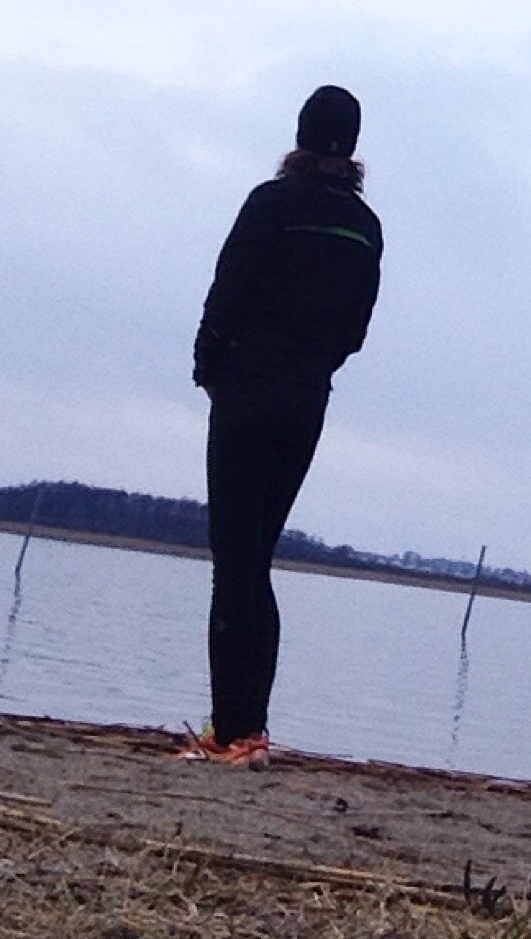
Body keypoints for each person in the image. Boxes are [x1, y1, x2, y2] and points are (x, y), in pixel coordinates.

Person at [181, 85, 384, 767]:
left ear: (300, 134)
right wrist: (313, 366)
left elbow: (227, 290)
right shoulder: (365, 225)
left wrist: (209, 366)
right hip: (306, 400)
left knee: (234, 561)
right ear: (351, 145)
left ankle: (233, 732)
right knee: (255, 559)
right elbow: (355, 329)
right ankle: (250, 727)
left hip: (247, 392)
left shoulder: (271, 203)